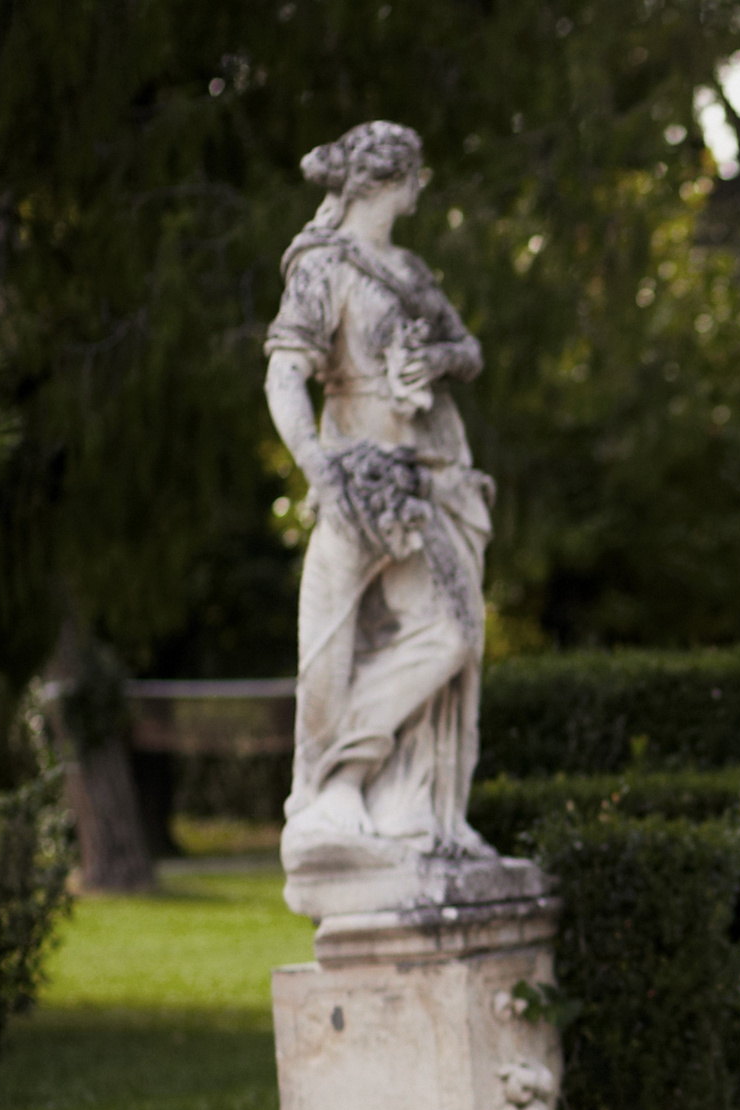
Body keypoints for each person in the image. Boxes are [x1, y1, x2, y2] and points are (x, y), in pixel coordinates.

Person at [264, 120, 495, 868]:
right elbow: (284, 375)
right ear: (396, 179)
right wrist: (316, 464)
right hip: (356, 474)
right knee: (330, 642)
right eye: (417, 175)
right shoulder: (323, 265)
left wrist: (435, 360)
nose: (421, 188)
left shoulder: (411, 270)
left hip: (428, 474)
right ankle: (331, 790)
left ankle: (381, 792)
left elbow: (470, 352)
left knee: (452, 634)